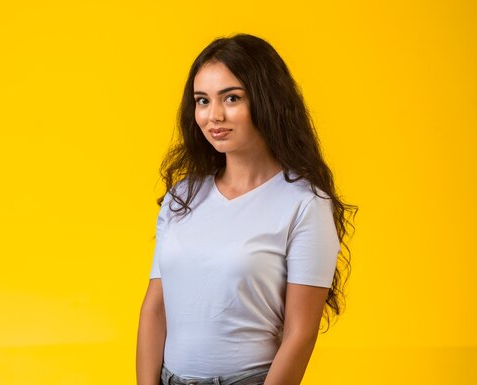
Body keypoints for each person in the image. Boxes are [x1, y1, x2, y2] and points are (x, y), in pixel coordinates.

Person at [136, 33, 357, 385]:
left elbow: (300, 334)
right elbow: (155, 307)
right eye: (202, 101)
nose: (214, 116)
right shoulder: (183, 197)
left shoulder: (304, 204)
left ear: (267, 101)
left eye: (232, 98)